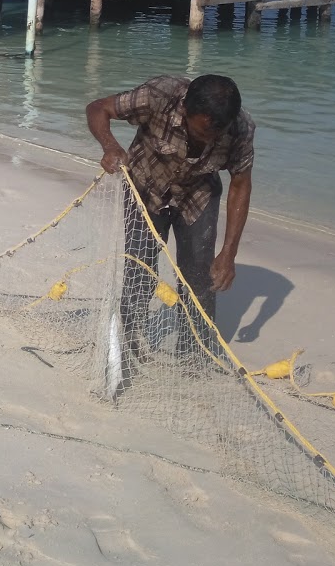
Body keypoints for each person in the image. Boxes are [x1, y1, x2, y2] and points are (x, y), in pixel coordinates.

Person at [85, 74, 254, 366]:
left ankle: (195, 352)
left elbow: (241, 184)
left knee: (199, 276)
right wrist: (109, 145)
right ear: (185, 109)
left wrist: (229, 253)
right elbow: (98, 108)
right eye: (202, 133)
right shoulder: (158, 96)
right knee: (140, 267)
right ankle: (128, 345)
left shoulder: (241, 128)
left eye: (216, 136)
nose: (208, 141)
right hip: (146, 191)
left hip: (197, 197)